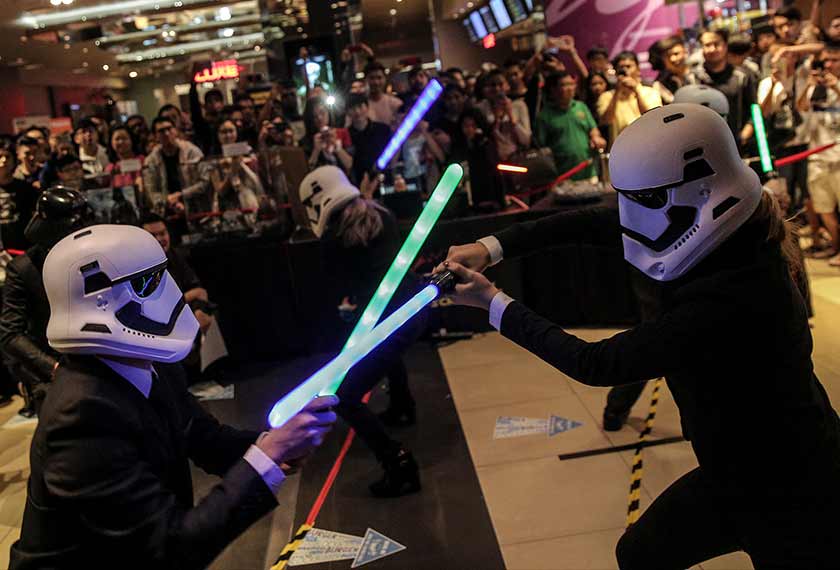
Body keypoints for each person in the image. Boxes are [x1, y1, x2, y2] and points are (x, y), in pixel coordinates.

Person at [439, 103, 840, 569]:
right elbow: (592, 221)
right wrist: (491, 247)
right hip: (739, 472)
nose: (630, 215)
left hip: (795, 486)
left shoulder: (737, 293)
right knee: (641, 554)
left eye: (643, 200)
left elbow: (596, 364)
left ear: (701, 190)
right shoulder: (735, 230)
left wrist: (492, 304)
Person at [9, 223, 338, 568]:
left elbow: (200, 435)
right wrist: (265, 459)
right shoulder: (81, 413)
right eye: (148, 281)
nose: (170, 292)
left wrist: (272, 444)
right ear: (99, 298)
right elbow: (169, 547)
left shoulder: (151, 366)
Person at [299, 166, 423, 497]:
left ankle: (398, 463)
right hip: (411, 311)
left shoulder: (335, 237)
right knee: (385, 351)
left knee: (345, 393)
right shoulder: (381, 213)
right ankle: (402, 404)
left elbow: (337, 288)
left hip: (382, 318)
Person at [0, 186, 94, 417]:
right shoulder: (23, 270)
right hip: (54, 369)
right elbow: (10, 334)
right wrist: (54, 368)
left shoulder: (91, 256)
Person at [141, 214, 229, 381]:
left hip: (184, 311)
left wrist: (196, 309)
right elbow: (156, 304)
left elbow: (200, 291)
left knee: (208, 312)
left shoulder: (175, 255)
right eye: (154, 235)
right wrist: (190, 298)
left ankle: (211, 372)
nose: (161, 239)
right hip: (159, 320)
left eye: (163, 233)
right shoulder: (142, 265)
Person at [797, 42, 840, 266]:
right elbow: (801, 106)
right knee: (824, 207)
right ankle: (835, 247)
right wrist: (808, 85)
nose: (829, 65)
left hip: (839, 157)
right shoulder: (816, 86)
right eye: (826, 61)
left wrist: (836, 86)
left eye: (835, 60)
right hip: (816, 156)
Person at [535, 72, 606, 181]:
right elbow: (541, 147)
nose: (570, 88)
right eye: (564, 85)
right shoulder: (544, 116)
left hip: (588, 171)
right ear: (553, 90)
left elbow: (593, 129)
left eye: (572, 84)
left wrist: (595, 137)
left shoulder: (581, 107)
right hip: (562, 176)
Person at [695, 28, 757, 148]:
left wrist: (745, 135)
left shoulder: (742, 76)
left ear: (725, 46)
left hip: (739, 145)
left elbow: (754, 108)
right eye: (707, 45)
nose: (712, 49)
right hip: (706, 147)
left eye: (716, 44)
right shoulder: (693, 79)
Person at [143, 116, 205, 219]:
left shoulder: (192, 151)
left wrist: (181, 195)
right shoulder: (151, 160)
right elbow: (151, 190)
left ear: (175, 130)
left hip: (196, 207)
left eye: (169, 129)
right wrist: (168, 201)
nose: (167, 133)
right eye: (161, 131)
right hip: (167, 211)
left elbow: (204, 181)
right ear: (155, 136)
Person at [597, 51, 663, 144]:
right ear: (616, 72)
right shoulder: (607, 96)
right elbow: (605, 121)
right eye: (621, 68)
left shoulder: (651, 92)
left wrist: (635, 90)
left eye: (628, 66)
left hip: (650, 145)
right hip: (622, 150)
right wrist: (617, 92)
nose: (625, 71)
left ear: (638, 69)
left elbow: (653, 117)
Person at [476, 69, 532, 162]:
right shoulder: (481, 108)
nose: (497, 89)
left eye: (501, 84)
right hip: (491, 160)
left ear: (507, 86)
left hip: (517, 158)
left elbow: (526, 140)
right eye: (493, 85)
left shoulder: (518, 105)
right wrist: (497, 119)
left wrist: (512, 119)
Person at [0, 139, 39, 251]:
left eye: (7, 157)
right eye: (0, 156)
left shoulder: (26, 188)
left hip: (22, 250)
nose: (3, 160)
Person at [346, 93, 391, 185]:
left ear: (367, 107)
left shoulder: (383, 129)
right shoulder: (346, 135)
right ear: (347, 112)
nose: (357, 112)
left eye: (360, 107)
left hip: (384, 180)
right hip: (357, 185)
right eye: (353, 108)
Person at [301, 97, 353, 173]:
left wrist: (336, 145)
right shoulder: (305, 141)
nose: (320, 118)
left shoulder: (342, 133)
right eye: (315, 116)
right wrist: (316, 151)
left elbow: (349, 165)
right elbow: (306, 171)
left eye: (322, 113)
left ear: (328, 112)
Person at [650, 35, 697, 103]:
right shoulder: (661, 84)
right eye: (667, 56)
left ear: (685, 51)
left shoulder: (701, 72)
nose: (673, 59)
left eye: (676, 54)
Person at [364, 61, 404, 129]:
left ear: (385, 79)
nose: (376, 82)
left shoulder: (396, 104)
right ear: (365, 80)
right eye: (371, 78)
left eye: (379, 78)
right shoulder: (359, 107)